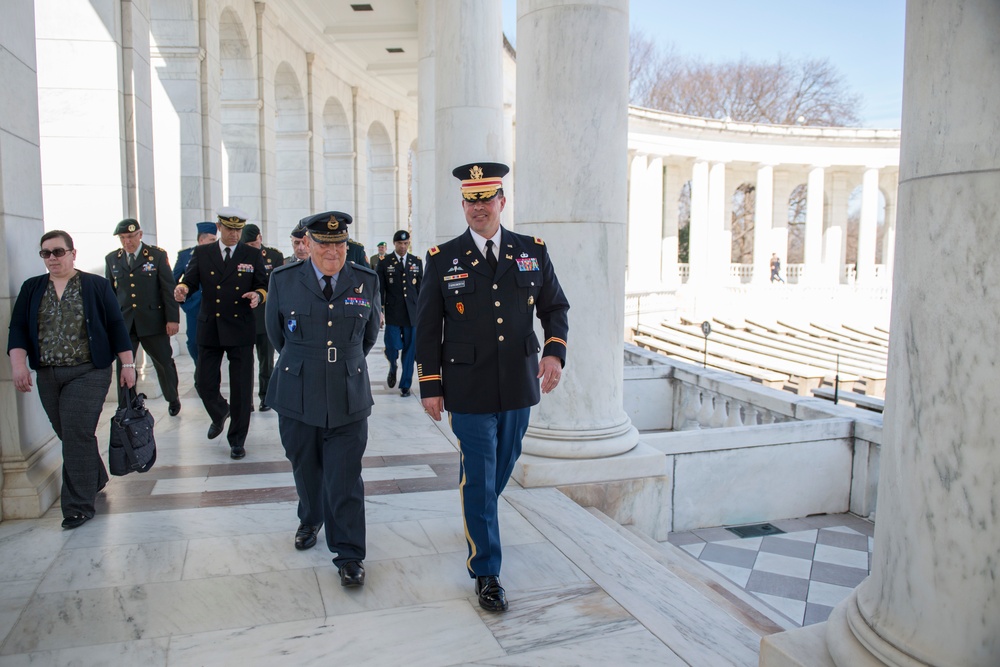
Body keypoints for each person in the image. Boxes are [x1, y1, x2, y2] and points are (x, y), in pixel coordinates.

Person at [415, 162, 570, 612]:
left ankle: (476, 511)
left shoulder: (531, 251)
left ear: (502, 202)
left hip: (519, 383)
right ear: (463, 205)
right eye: (470, 200)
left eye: (486, 199)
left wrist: (554, 352)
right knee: (480, 475)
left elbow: (555, 306)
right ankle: (487, 571)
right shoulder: (442, 259)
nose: (478, 207)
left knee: (502, 463)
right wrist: (430, 384)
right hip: (467, 386)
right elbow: (428, 330)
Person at [264, 210, 381, 588]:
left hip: (348, 391)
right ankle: (310, 516)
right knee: (306, 466)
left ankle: (349, 554)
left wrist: (342, 361)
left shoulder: (365, 280)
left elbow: (369, 336)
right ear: (308, 245)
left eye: (340, 244)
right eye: (324, 244)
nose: (333, 251)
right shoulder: (283, 280)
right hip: (297, 390)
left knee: (345, 477)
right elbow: (276, 335)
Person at [7, 230, 136, 529]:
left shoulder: (95, 285)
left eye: (58, 252)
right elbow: (17, 329)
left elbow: (116, 325)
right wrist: (18, 365)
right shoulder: (32, 288)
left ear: (72, 253)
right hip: (48, 373)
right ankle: (96, 475)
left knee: (77, 433)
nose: (52, 258)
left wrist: (127, 363)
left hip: (89, 371)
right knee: (69, 433)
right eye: (46, 254)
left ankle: (77, 506)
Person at [173, 207, 268, 460]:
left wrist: (257, 296)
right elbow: (190, 279)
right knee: (204, 383)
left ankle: (237, 439)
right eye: (229, 229)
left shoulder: (252, 253)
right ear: (219, 227)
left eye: (238, 229)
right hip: (210, 326)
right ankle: (219, 412)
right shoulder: (203, 253)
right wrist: (182, 287)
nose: (234, 234)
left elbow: (263, 284)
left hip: (240, 326)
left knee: (241, 388)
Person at [104, 218, 182, 416]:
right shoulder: (112, 259)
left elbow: (168, 289)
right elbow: (110, 296)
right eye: (122, 238)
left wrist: (172, 319)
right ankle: (126, 404)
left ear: (140, 234)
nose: (127, 242)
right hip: (125, 323)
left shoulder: (156, 255)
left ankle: (172, 397)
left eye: (130, 237)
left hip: (153, 322)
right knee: (124, 365)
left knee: (164, 362)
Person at [240, 223, 284, 411]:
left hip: (266, 316)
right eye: (247, 245)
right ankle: (245, 400)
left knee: (266, 361)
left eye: (253, 244)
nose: (251, 248)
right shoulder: (237, 256)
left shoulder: (274, 256)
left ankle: (265, 397)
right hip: (243, 317)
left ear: (260, 238)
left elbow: (278, 288)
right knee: (244, 363)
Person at [377, 230, 422, 396]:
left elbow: (421, 289)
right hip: (393, 313)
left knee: (410, 351)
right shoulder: (385, 262)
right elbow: (379, 290)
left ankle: (405, 385)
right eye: (399, 244)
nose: (403, 247)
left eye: (405, 243)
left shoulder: (416, 262)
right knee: (392, 346)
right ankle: (393, 365)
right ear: (394, 244)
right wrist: (379, 312)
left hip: (412, 314)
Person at [173, 222, 218, 363]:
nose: (214, 243)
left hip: (215, 307)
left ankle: (207, 373)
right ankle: (200, 369)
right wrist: (184, 302)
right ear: (201, 240)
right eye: (212, 240)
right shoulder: (185, 256)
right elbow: (173, 281)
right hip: (194, 308)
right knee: (193, 342)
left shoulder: (220, 255)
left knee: (214, 344)